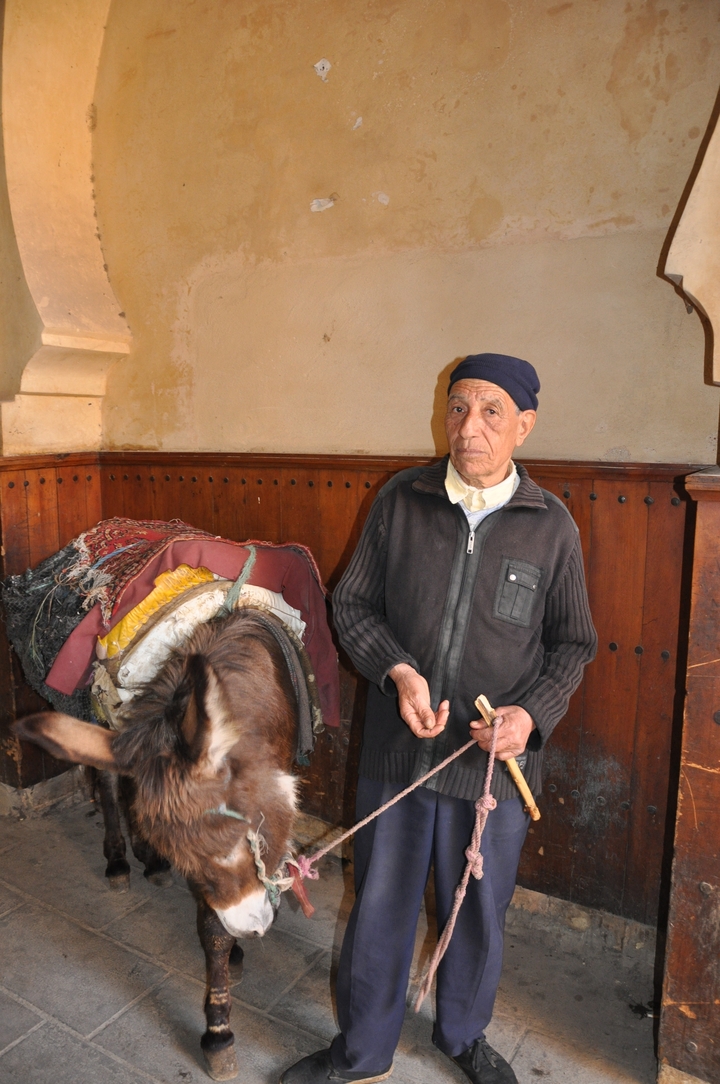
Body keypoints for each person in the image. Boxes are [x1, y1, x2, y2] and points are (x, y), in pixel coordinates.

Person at [281, 353, 597, 1084]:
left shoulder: (551, 526)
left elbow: (573, 644)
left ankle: (462, 1037)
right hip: (399, 752)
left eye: (491, 411)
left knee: (480, 910)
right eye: (458, 407)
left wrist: (531, 716)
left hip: (493, 767)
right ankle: (362, 1052)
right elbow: (352, 605)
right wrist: (397, 670)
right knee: (379, 907)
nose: (469, 427)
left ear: (525, 425)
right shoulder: (402, 499)